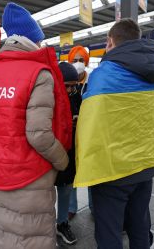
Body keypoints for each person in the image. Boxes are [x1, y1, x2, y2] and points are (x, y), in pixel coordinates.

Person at [74, 19, 154, 249]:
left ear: (110, 41)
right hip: (145, 166)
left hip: (111, 170)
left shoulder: (103, 74)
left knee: (109, 232)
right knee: (140, 225)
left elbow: (90, 124)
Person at [0, 3, 71, 249]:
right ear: (33, 38)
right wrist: (62, 160)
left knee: (1, 233)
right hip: (28, 177)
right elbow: (39, 135)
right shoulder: (39, 73)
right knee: (30, 238)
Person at [55, 62, 81, 245]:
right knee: (45, 194)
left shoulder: (76, 97)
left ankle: (62, 223)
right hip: (50, 154)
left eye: (74, 85)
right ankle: (44, 225)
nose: (71, 89)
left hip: (70, 153)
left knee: (65, 190)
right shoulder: (47, 97)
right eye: (67, 85)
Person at [67, 45, 93, 219]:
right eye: (74, 60)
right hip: (71, 134)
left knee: (91, 170)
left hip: (89, 134)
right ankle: (71, 207)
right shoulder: (65, 82)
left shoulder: (93, 82)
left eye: (81, 60)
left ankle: (94, 205)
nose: (78, 63)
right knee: (70, 171)